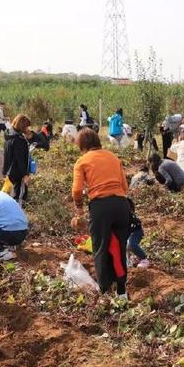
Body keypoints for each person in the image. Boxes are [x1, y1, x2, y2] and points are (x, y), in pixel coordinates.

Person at [71, 128, 130, 298]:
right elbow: (125, 187)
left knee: (101, 247)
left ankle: (104, 290)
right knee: (119, 247)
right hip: (121, 205)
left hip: (100, 206)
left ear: (82, 145)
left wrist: (79, 208)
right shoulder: (113, 157)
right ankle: (121, 291)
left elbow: (76, 190)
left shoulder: (82, 161)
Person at [3, 114, 31, 203]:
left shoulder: (9, 135)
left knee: (11, 195)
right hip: (18, 173)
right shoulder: (19, 140)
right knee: (19, 196)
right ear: (22, 126)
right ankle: (18, 214)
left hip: (10, 172)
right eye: (26, 127)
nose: (28, 129)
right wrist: (25, 175)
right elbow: (20, 159)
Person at [127, 198, 149, 269]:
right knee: (124, 247)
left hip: (136, 232)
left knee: (132, 244)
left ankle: (144, 259)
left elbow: (137, 224)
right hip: (128, 234)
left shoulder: (131, 216)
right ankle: (130, 261)